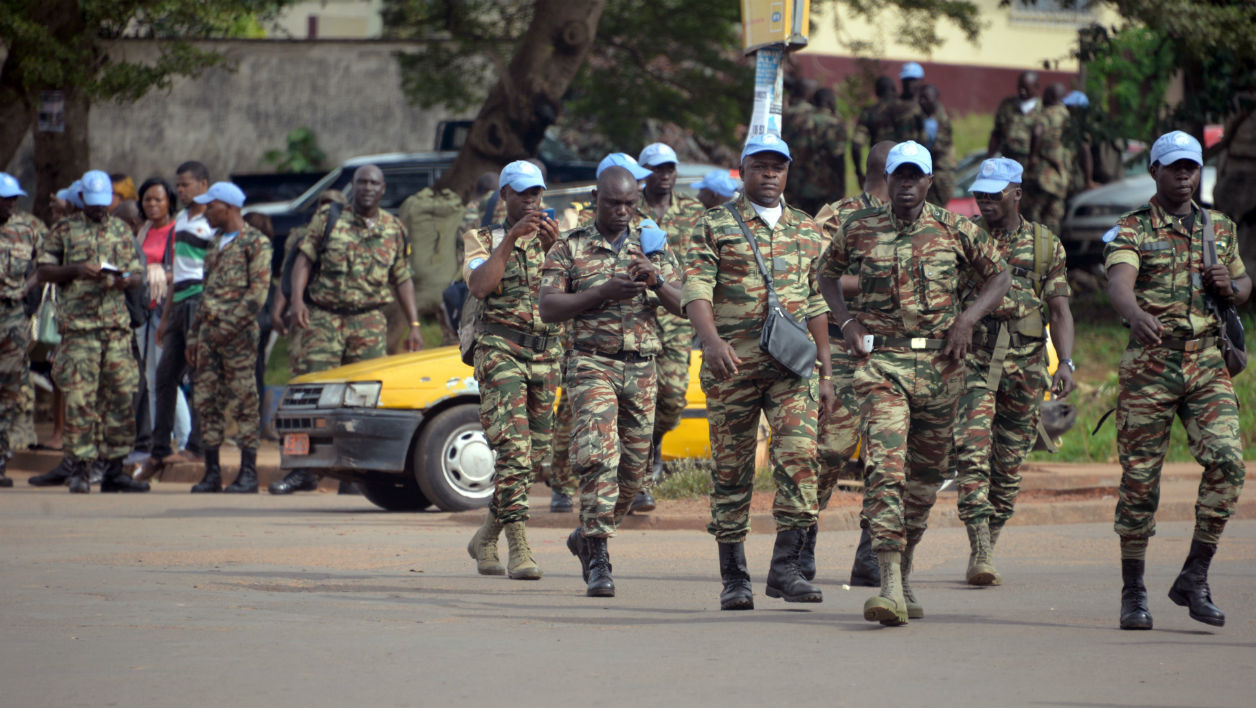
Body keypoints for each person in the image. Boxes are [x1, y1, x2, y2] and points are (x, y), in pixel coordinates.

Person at [821, 141, 1010, 625]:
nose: (906, 185)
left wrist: (967, 319)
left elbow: (1000, 275)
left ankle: (904, 572)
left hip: (941, 368)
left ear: (929, 182)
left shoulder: (954, 229)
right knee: (886, 467)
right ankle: (885, 583)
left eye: (915, 177)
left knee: (924, 482)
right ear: (887, 179)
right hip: (881, 364)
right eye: (898, 176)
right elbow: (823, 276)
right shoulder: (858, 227)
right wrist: (845, 324)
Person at [1103, 130, 1251, 631]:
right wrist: (1135, 313)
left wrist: (1233, 287)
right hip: (1151, 365)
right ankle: (1134, 591)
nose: (1184, 176)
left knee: (1230, 463)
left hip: (1207, 362)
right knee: (1140, 482)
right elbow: (1118, 284)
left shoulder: (1220, 227)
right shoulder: (1132, 229)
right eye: (1174, 168)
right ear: (1154, 172)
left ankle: (1194, 576)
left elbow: (1244, 283)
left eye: (1190, 167)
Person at [684, 133, 834, 611]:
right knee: (732, 473)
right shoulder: (715, 225)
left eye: (778, 167)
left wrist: (826, 371)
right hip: (733, 365)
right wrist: (711, 343)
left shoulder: (808, 230)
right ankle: (734, 578)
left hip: (793, 369)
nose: (770, 174)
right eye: (761, 166)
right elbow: (695, 289)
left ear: (787, 171)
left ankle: (786, 568)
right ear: (742, 169)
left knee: (799, 461)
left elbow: (816, 301)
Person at [539, 165, 683, 597]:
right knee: (599, 457)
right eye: (612, 203)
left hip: (642, 366)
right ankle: (600, 557)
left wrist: (656, 280)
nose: (621, 212)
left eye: (628, 204)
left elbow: (685, 304)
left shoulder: (652, 243)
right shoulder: (570, 246)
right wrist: (600, 292)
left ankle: (585, 537)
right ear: (596, 201)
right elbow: (548, 307)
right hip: (591, 364)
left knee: (633, 471)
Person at [954, 157, 1075, 586]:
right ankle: (979, 548)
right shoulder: (963, 237)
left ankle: (992, 534)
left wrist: (1067, 362)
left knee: (1008, 463)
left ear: (1017, 192)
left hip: (1025, 365)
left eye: (995, 193)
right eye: (980, 193)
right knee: (971, 454)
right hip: (973, 360)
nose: (985, 200)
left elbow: (1059, 310)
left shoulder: (1045, 246)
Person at [271, 165, 424, 494]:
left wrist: (414, 324)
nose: (367, 187)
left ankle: (355, 476)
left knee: (362, 401)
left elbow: (402, 277)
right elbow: (303, 260)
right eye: (361, 182)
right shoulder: (329, 219)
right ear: (353, 188)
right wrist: (297, 301)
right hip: (323, 318)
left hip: (368, 321)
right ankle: (301, 470)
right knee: (309, 397)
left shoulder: (394, 229)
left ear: (383, 189)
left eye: (374, 183)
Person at [463, 161, 564, 579]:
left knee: (535, 456)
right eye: (522, 193)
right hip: (500, 350)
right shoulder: (481, 238)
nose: (531, 201)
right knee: (513, 451)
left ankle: (486, 534)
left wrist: (559, 250)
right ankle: (518, 544)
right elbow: (479, 285)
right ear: (504, 196)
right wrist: (511, 243)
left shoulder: (558, 239)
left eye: (536, 193)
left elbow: (575, 292)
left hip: (545, 355)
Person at [35, 170, 149, 493]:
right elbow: (44, 270)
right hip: (80, 331)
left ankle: (115, 469)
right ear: (82, 199)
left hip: (115, 328)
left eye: (105, 204)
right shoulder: (64, 230)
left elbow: (138, 274)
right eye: (94, 204)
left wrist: (127, 279)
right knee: (80, 399)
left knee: (121, 396)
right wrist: (76, 270)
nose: (100, 210)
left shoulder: (120, 231)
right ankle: (80, 470)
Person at [813, 140, 895, 587]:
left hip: (897, 356)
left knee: (887, 458)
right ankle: (801, 544)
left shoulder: (918, 220)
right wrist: (878, 280)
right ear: (889, 174)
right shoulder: (839, 215)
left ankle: (870, 556)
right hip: (846, 352)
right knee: (830, 451)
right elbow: (816, 273)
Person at [184, 183, 271, 494]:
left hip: (238, 338)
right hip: (209, 337)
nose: (207, 212)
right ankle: (212, 473)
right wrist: (194, 338)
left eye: (212, 206)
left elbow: (256, 296)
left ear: (230, 207)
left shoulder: (255, 243)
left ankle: (248, 474)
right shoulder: (215, 243)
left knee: (245, 402)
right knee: (206, 401)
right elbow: (205, 294)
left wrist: (227, 329)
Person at [635, 142, 706, 511]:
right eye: (657, 168)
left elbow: (701, 261)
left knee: (674, 396)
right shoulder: (629, 208)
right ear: (643, 173)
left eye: (670, 168)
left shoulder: (693, 210)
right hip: (636, 314)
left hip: (676, 312)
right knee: (640, 398)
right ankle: (641, 476)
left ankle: (652, 442)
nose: (664, 175)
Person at [134, 161, 212, 481]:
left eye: (186, 185)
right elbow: (175, 271)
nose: (180, 190)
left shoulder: (212, 222)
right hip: (177, 302)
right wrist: (166, 319)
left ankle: (196, 444)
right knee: (165, 377)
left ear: (203, 185)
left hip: (199, 303)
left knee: (199, 377)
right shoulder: (181, 218)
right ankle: (160, 448)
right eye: (178, 185)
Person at [0, 173, 46, 488]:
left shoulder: (27, 229)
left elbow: (46, 266)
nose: (13, 204)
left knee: (8, 393)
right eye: (7, 199)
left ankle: (0, 460)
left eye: (15, 198)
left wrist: (25, 290)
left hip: (12, 320)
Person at [784, 88, 849, 215]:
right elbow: (838, 157)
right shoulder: (835, 123)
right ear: (831, 102)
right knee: (825, 226)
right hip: (827, 185)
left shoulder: (798, 121)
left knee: (801, 225)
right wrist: (841, 186)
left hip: (800, 183)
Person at [1023, 83, 1070, 234]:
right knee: (1054, 215)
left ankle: (1035, 250)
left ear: (1049, 97)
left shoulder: (1046, 115)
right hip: (1061, 175)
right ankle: (1052, 250)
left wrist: (1033, 157)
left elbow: (1037, 132)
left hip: (1044, 174)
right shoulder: (1070, 117)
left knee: (1034, 214)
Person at [851, 76, 901, 186]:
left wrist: (859, 172)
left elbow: (856, 145)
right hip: (905, 167)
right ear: (894, 89)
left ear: (877, 92)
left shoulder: (869, 113)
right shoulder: (908, 110)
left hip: (879, 169)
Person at [988, 71, 1040, 169]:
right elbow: (996, 133)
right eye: (1020, 87)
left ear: (1036, 86)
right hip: (1008, 159)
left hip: (1030, 163)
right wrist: (989, 157)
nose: (1022, 91)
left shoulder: (1043, 108)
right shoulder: (1007, 105)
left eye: (1026, 88)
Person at [919, 84, 955, 206]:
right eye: (921, 98)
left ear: (935, 99)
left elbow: (937, 147)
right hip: (928, 170)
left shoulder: (941, 119)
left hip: (940, 171)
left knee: (938, 209)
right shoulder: (923, 117)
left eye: (926, 98)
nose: (921, 102)